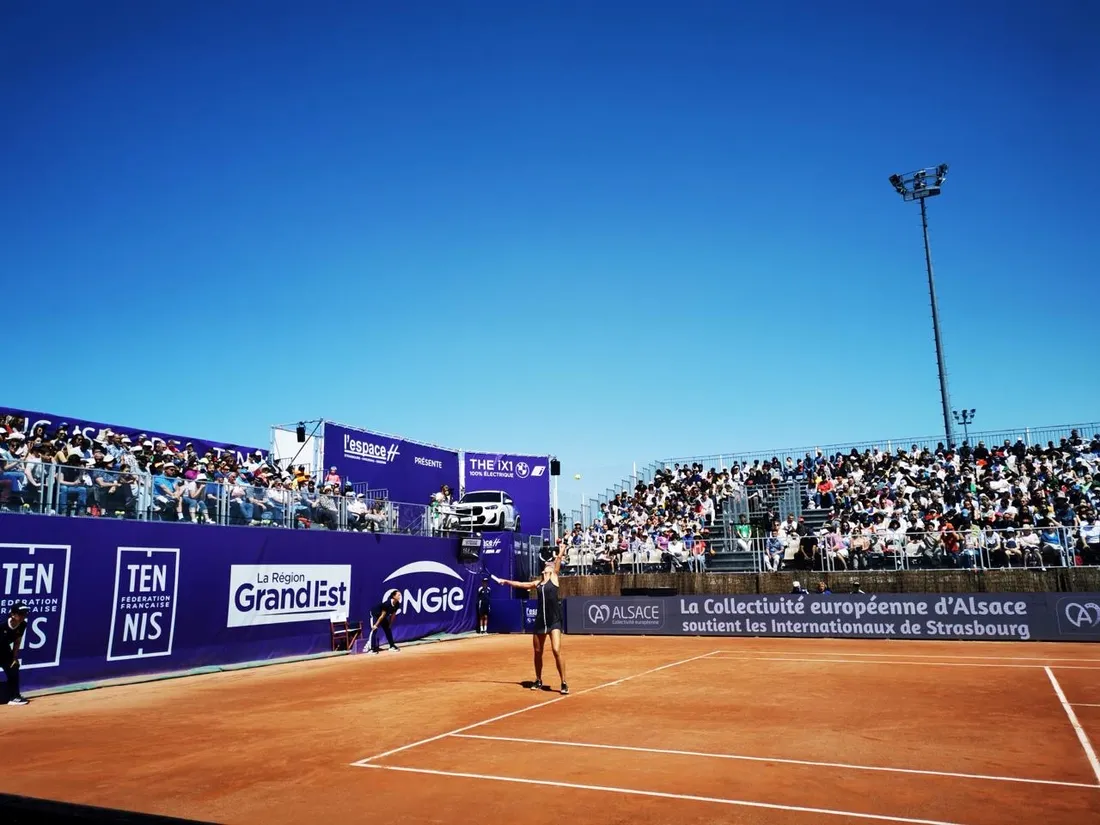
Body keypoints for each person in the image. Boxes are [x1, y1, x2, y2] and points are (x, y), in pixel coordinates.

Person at [493, 546, 568, 695]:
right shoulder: (537, 584)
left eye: (551, 565)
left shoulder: (554, 578)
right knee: (537, 652)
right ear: (543, 570)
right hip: (540, 622)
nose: (549, 565)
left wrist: (561, 551)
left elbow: (558, 561)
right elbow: (520, 584)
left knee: (556, 650)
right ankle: (538, 679)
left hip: (554, 621)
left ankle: (564, 682)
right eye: (548, 565)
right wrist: (505, 581)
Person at [2, 602, 29, 705]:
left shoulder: (23, 624)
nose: (24, 616)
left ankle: (14, 697)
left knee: (14, 667)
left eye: (25, 613)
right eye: (21, 613)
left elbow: (18, 641)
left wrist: (14, 657)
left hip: (4, 650)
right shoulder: (2, 623)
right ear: (13, 615)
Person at [369, 589, 402, 654]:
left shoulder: (397, 604)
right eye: (398, 595)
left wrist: (390, 624)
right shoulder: (387, 604)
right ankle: (371, 649)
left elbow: (393, 615)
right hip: (375, 614)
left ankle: (391, 646)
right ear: (393, 596)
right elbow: (382, 615)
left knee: (388, 629)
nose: (399, 597)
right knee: (374, 629)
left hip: (382, 616)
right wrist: (376, 625)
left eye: (400, 595)